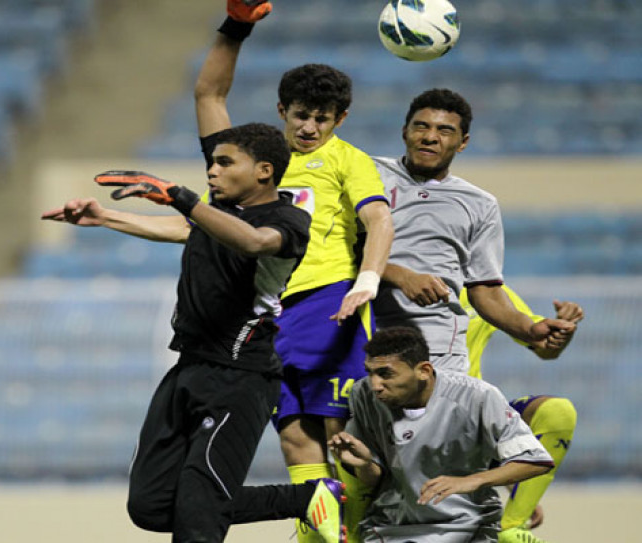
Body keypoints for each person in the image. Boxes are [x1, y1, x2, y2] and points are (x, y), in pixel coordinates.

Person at [42, 122, 346, 543]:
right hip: (187, 370)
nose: (212, 172)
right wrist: (106, 217)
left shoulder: (287, 217)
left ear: (263, 170)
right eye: (211, 163)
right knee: (150, 506)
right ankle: (309, 498)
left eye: (224, 162)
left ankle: (307, 498)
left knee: (198, 523)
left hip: (242, 377)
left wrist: (181, 198)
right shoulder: (215, 217)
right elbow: (188, 230)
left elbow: (254, 242)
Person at [193, 3, 394, 540]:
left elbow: (378, 219)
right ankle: (321, 528)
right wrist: (237, 26)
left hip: (330, 303)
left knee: (340, 430)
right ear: (282, 109)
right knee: (293, 435)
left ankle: (356, 527)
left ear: (340, 119)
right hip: (267, 317)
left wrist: (367, 281)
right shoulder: (254, 159)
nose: (309, 127)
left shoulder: (348, 160)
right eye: (300, 115)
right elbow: (209, 96)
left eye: (321, 118)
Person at [373, 88, 575, 376]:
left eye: (445, 130)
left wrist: (530, 329)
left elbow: (486, 291)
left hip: (437, 348)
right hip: (361, 332)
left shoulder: (480, 203)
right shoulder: (366, 174)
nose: (430, 137)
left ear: (462, 142)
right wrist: (401, 276)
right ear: (404, 131)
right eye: (421, 126)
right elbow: (332, 250)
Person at [328, 326, 555, 542]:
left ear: (424, 371)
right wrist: (365, 464)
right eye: (370, 373)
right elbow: (375, 479)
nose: (376, 384)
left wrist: (471, 481)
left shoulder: (477, 396)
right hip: (393, 527)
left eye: (385, 374)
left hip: (469, 526)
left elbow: (535, 460)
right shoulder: (364, 395)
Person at [461, 287, 583, 543]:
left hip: (473, 423)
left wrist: (562, 329)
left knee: (557, 412)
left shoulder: (486, 288)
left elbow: (544, 347)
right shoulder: (401, 284)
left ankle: (513, 526)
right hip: (407, 420)